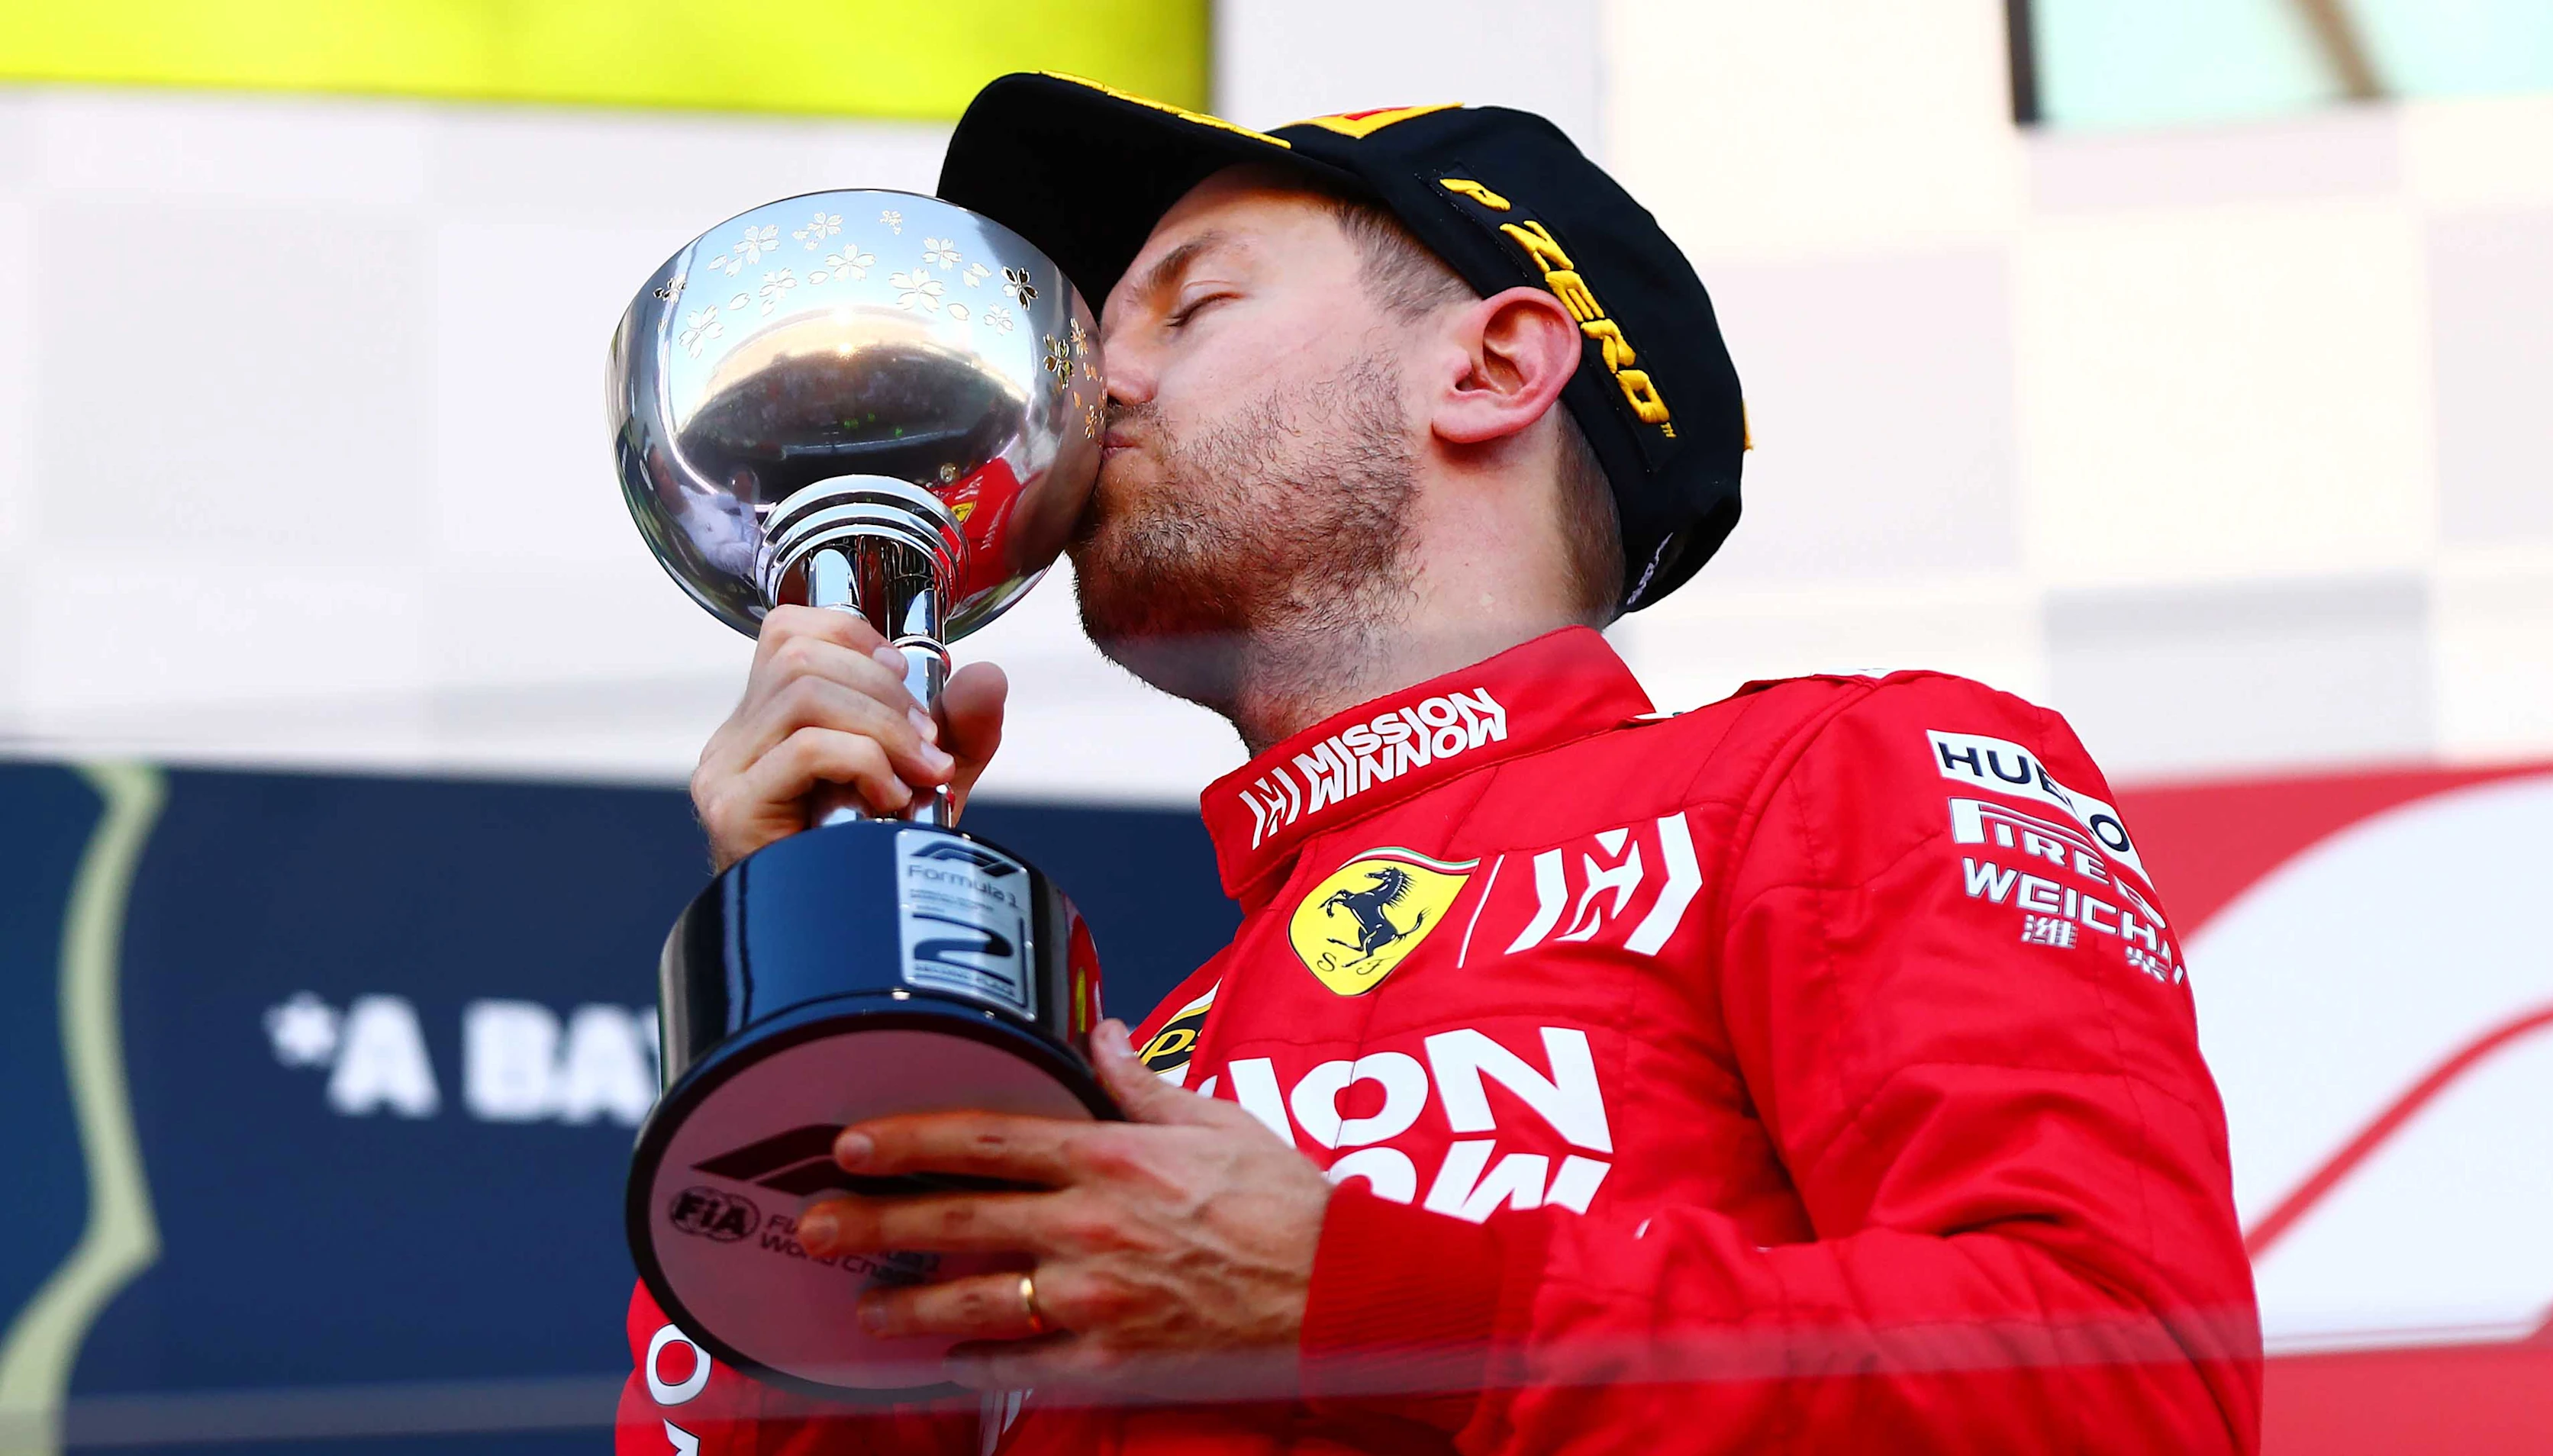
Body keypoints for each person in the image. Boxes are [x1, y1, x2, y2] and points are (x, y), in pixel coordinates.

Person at [619, 72, 2261, 1455]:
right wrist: (821, 970)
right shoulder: (1112, 1038)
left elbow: (2118, 1384)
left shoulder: (1835, 772)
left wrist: (1352, 1301)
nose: (1092, 391)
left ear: (1491, 366)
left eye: (1188, 305)